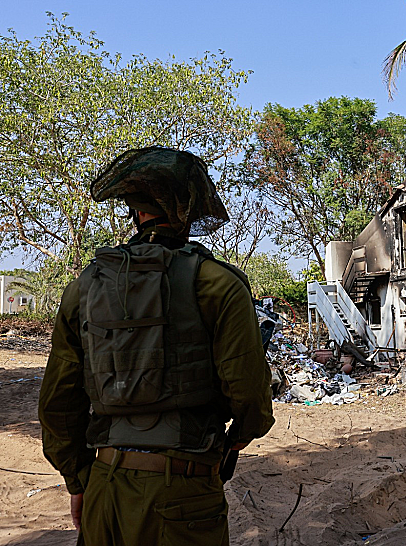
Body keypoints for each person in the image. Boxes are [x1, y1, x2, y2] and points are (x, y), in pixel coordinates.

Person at [38, 147, 274, 545]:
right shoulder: (218, 283)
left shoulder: (85, 287)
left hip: (104, 488)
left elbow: (57, 403)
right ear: (188, 206)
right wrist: (240, 437)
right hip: (182, 494)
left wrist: (78, 480)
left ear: (137, 209)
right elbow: (249, 394)